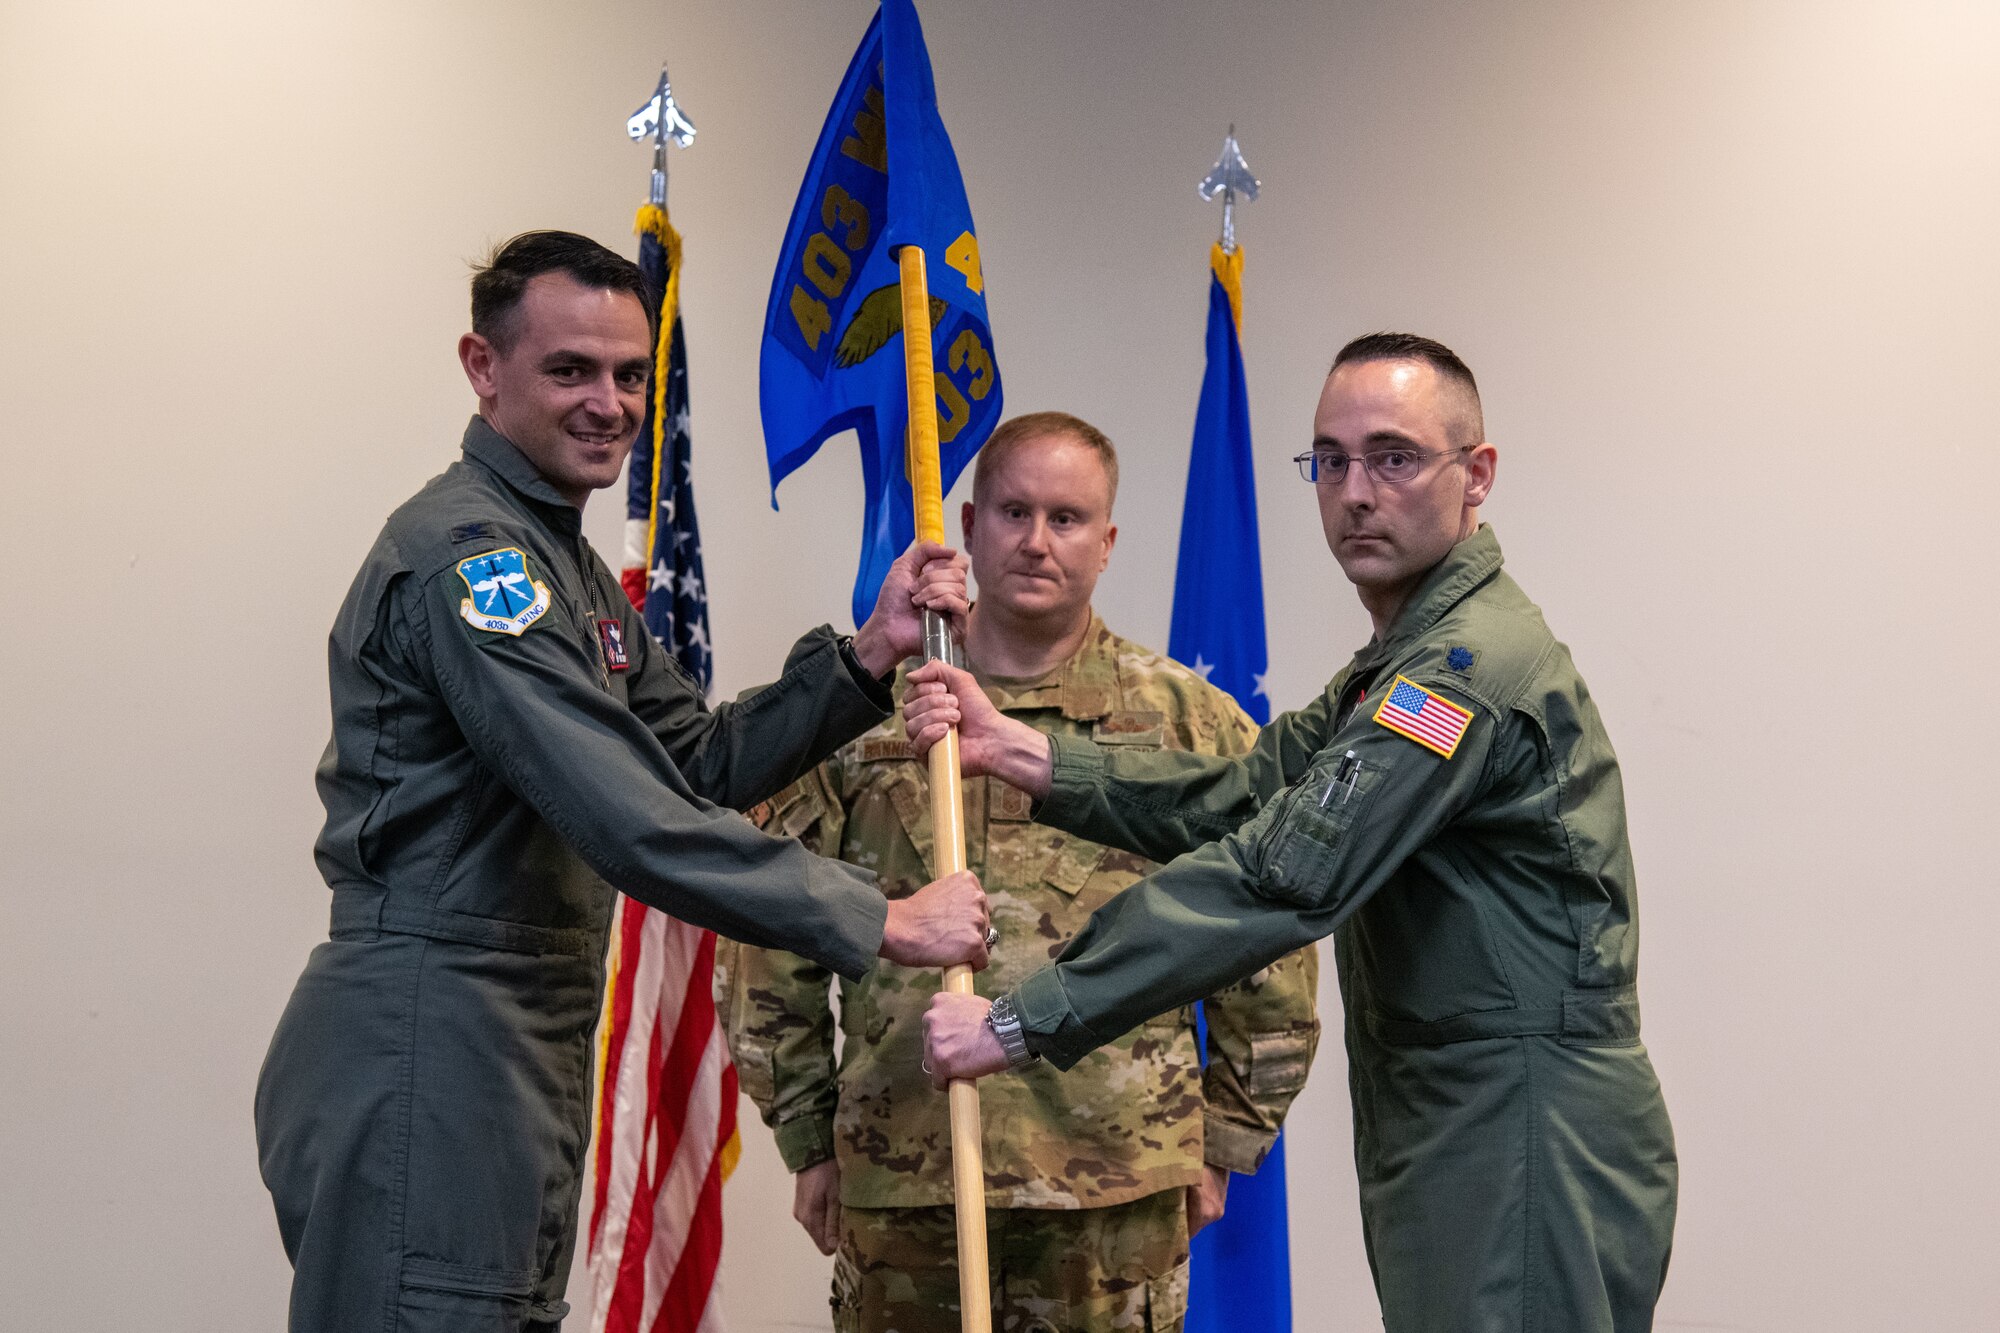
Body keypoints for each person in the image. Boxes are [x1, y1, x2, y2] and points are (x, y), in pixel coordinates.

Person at [255, 231, 991, 1333]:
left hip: (512, 1033)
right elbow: (624, 815)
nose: (609, 403)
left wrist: (866, 656)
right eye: (570, 371)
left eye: (629, 374)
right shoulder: (474, 561)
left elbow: (688, 763)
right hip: (432, 1026)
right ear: (481, 366)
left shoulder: (565, 562)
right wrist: (877, 918)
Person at [911, 335, 1678, 1331]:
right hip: (1456, 1112)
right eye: (1330, 458)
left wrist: (1019, 1021)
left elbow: (1278, 879)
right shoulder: (1404, 658)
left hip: (1519, 1123)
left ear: (1473, 475)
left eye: (1393, 457)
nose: (1354, 490)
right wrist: (1030, 755)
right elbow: (1243, 793)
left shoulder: (1458, 672)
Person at [719, 413, 1320, 1333]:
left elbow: (1270, 932)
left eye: (1068, 518)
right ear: (968, 524)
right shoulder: (868, 712)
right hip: (905, 1170)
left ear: (1109, 541)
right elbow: (771, 931)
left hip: (1114, 1184)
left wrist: (1229, 1138)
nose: (1038, 540)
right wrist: (807, 1134)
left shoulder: (1187, 724)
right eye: (1014, 511)